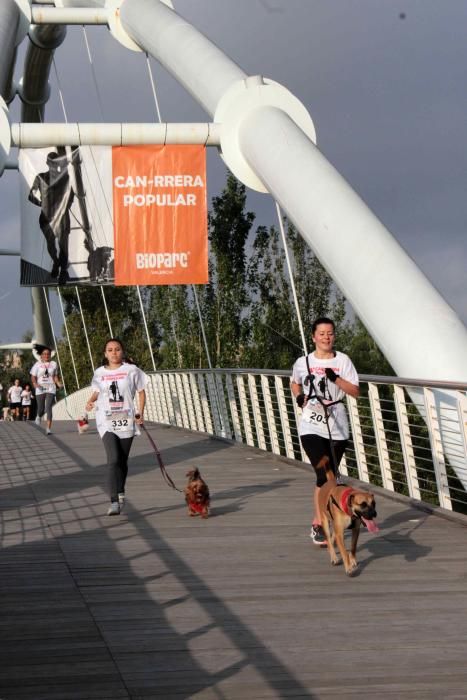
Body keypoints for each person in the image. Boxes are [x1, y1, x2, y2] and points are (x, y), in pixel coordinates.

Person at [291, 317, 360, 545]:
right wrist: (299, 395)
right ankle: (321, 524)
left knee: (328, 477)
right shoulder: (304, 362)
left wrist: (336, 379)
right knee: (324, 474)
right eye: (321, 333)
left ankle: (317, 519)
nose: (326, 337)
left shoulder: (343, 361)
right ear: (313, 337)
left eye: (330, 333)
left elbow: (355, 391)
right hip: (311, 422)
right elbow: (295, 382)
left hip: (336, 424)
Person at [85, 338, 147, 516]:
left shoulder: (132, 370)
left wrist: (140, 413)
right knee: (112, 459)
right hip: (106, 421)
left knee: (122, 460)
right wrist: (90, 401)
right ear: (105, 354)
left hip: (126, 419)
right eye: (110, 350)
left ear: (123, 352)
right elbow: (97, 391)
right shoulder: (99, 373)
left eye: (117, 349)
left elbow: (141, 392)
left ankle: (120, 492)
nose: (114, 353)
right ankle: (113, 501)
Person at [28, 151, 75, 284]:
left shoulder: (65, 179)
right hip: (47, 218)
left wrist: (64, 208)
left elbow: (71, 196)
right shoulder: (40, 177)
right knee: (51, 245)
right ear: (49, 164)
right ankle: (56, 262)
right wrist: (42, 205)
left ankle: (63, 272)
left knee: (63, 245)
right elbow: (30, 195)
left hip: (61, 217)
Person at [30, 347, 62, 435]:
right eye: (44, 354)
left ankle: (48, 428)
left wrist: (58, 383)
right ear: (41, 355)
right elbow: (33, 376)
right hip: (40, 388)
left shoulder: (54, 364)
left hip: (51, 387)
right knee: (41, 408)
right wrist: (35, 384)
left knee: (48, 408)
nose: (46, 355)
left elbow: (55, 376)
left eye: (48, 354)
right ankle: (39, 416)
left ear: (50, 355)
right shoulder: (37, 364)